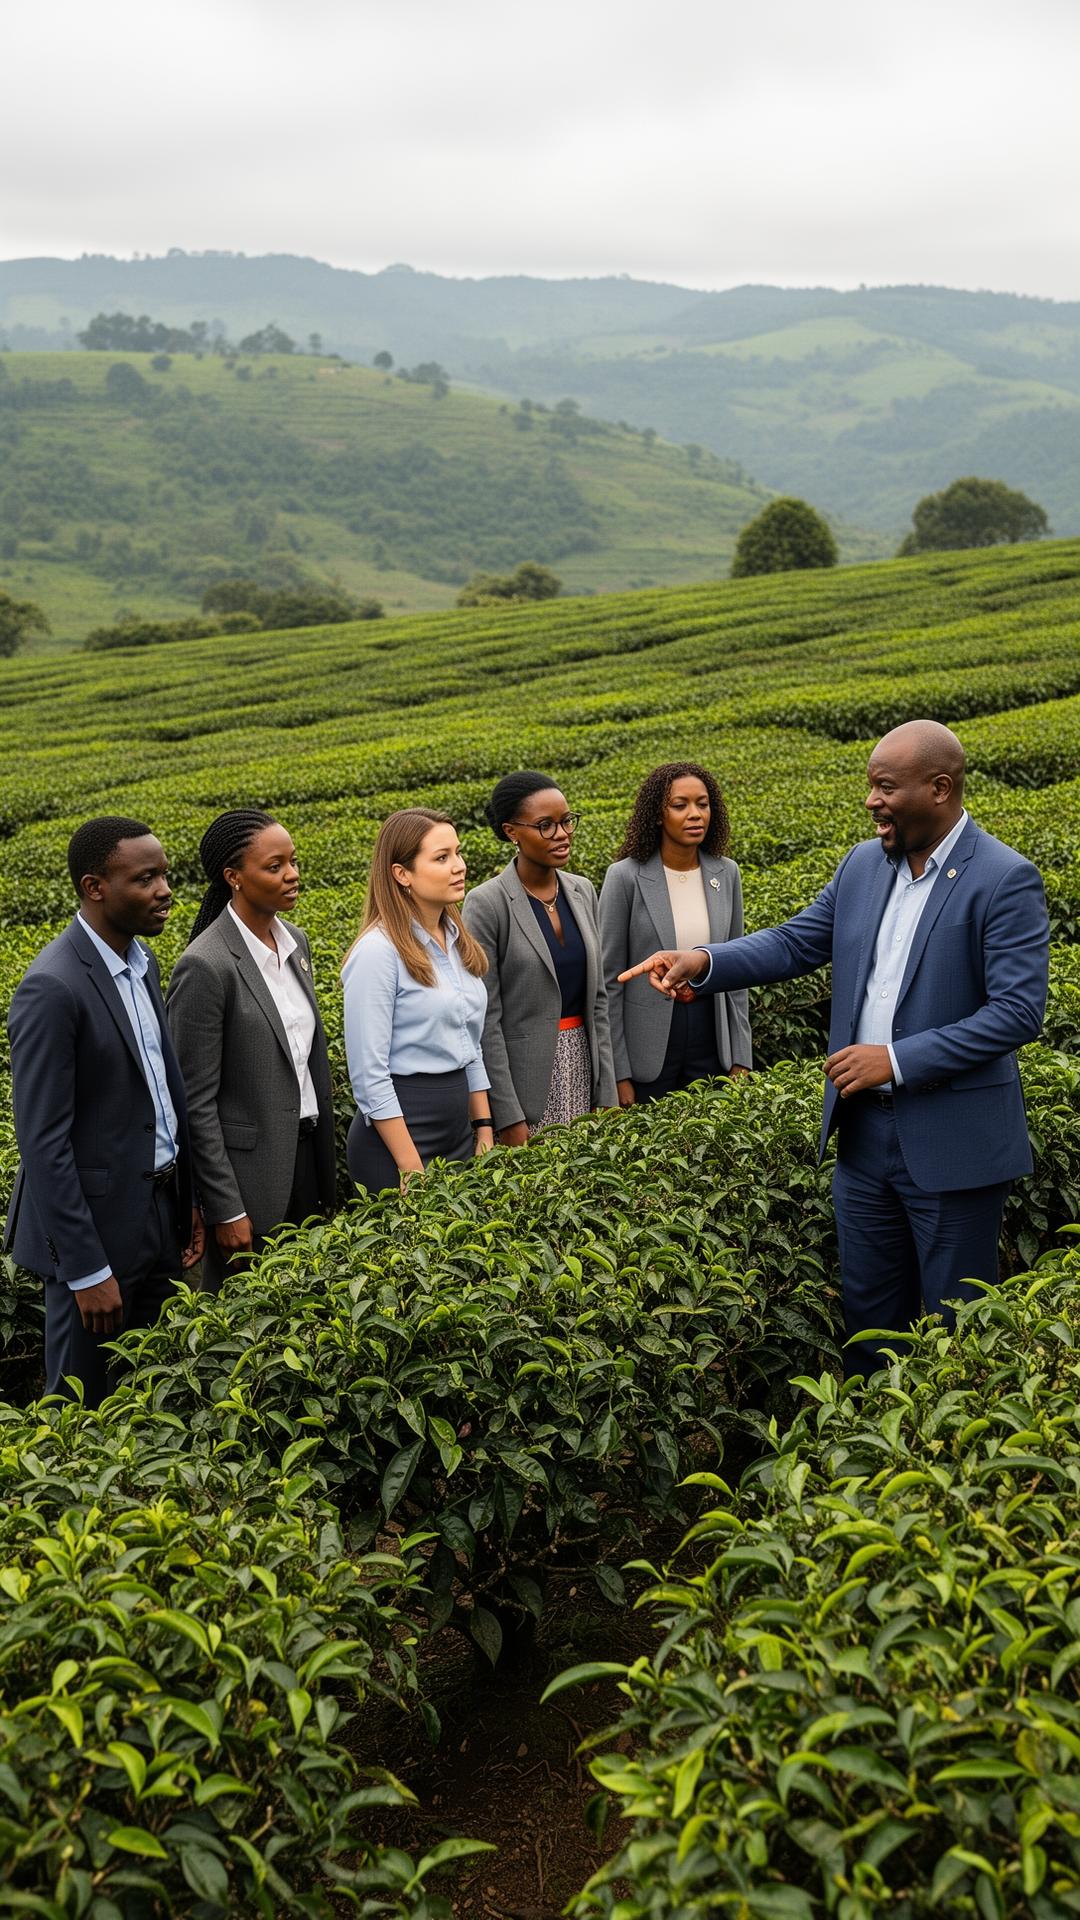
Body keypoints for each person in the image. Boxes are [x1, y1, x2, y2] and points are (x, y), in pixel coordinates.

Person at [619, 721, 1049, 1375]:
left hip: (953, 1141)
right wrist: (703, 961)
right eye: (871, 786)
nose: (872, 801)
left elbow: (1017, 1012)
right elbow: (796, 941)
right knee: (869, 1319)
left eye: (886, 788)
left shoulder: (1003, 877)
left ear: (939, 788)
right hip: (863, 1135)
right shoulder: (862, 865)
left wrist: (896, 1060)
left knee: (958, 1328)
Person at [4, 816, 203, 1406]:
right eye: (145, 879)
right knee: (81, 1405)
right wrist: (86, 1269)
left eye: (164, 875)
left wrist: (187, 1201)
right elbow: (43, 1143)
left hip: (158, 1213)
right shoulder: (52, 986)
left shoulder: (143, 964)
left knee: (159, 1395)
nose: (164, 890)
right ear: (95, 888)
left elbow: (159, 1097)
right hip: (95, 1234)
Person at [166, 809, 337, 1292]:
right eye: (275, 866)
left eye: (293, 861)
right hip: (250, 1182)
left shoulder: (295, 942)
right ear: (233, 877)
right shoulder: (206, 965)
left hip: (307, 1157)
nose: (292, 874)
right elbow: (194, 1102)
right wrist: (225, 1207)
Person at [461, 771, 617, 1144]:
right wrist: (508, 1115)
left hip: (584, 1067)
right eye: (545, 826)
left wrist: (608, 1093)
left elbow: (598, 1002)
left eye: (566, 821)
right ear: (512, 832)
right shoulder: (487, 903)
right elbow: (485, 1019)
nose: (562, 834)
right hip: (527, 1086)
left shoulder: (582, 891)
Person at [343, 809, 494, 1192]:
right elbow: (369, 1075)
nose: (459, 866)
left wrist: (483, 1127)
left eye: (458, 852)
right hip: (398, 1141)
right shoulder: (377, 952)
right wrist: (410, 1167)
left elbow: (470, 1044)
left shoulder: (457, 939)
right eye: (441, 858)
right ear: (402, 874)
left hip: (458, 1132)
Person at [599, 761, 752, 1103]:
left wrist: (741, 1055)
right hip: (647, 1049)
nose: (695, 814)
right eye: (680, 805)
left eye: (703, 804)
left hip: (712, 1037)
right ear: (658, 815)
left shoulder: (726, 873)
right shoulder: (625, 877)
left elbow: (737, 969)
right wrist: (618, 1074)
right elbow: (609, 982)